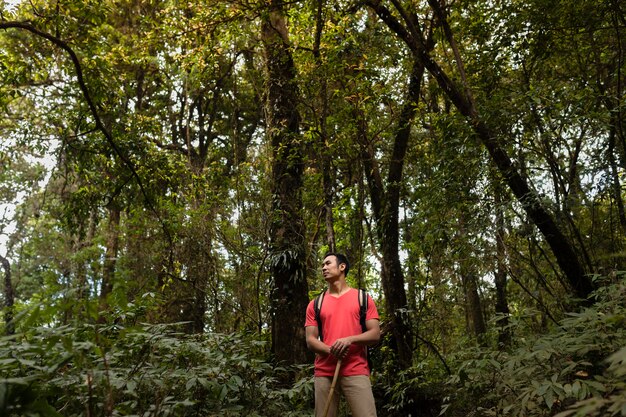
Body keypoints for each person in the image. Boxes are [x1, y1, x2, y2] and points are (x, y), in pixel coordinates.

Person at [305, 253, 381, 417]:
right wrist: (331, 350)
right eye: (322, 265)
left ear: (342, 267)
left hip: (356, 369)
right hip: (324, 372)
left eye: (328, 263)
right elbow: (310, 340)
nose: (323, 268)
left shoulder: (363, 298)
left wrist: (350, 339)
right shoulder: (315, 304)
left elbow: (375, 334)